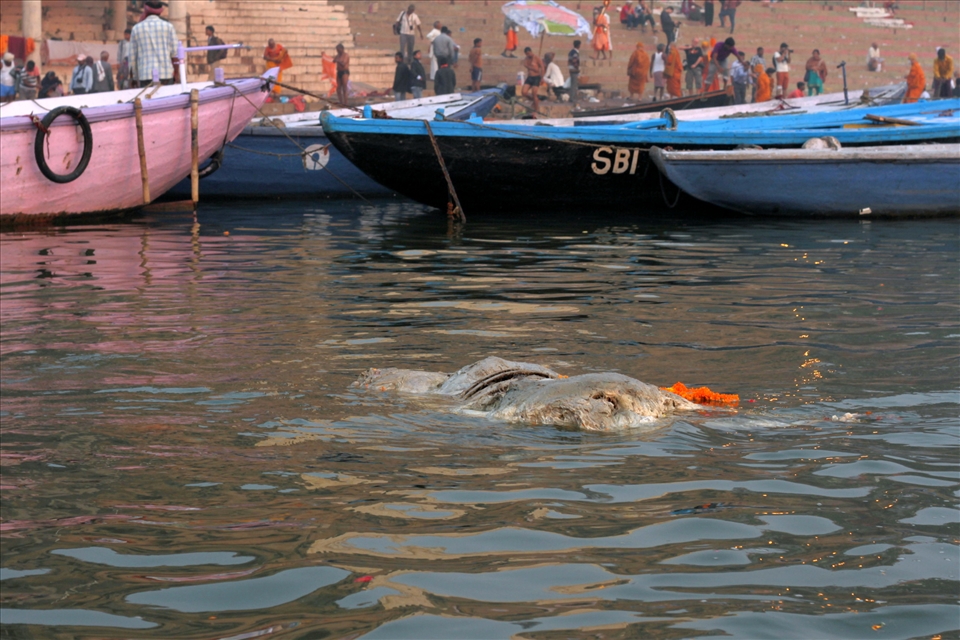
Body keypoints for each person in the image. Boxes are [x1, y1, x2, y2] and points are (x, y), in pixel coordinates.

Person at [129, 0, 179, 87]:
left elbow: (132, 57)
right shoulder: (169, 27)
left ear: (146, 10)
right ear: (160, 12)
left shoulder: (136, 29)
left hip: (145, 76)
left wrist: (134, 78)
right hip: (166, 75)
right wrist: (177, 73)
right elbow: (175, 54)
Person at [521, 46, 544, 112]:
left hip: (536, 77)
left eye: (529, 53)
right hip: (529, 77)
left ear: (531, 52)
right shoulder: (526, 59)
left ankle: (536, 110)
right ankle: (536, 100)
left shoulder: (536, 58)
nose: (528, 55)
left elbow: (541, 68)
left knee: (534, 94)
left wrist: (542, 78)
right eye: (526, 54)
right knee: (524, 92)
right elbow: (525, 64)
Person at [568, 39, 581, 104]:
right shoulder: (575, 53)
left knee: (573, 84)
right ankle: (572, 98)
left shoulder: (571, 52)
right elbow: (575, 61)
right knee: (574, 85)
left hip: (571, 69)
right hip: (574, 70)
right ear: (578, 45)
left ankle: (572, 97)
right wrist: (577, 68)